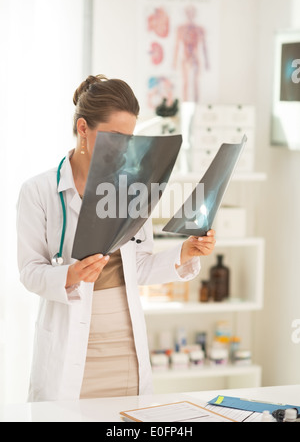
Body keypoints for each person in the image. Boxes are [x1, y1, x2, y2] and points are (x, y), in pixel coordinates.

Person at [16, 74, 216, 402]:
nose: (123, 150)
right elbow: (29, 272)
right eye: (114, 137)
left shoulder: (130, 188)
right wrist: (69, 275)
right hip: (70, 350)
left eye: (129, 139)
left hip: (125, 347)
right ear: (83, 129)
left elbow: (138, 268)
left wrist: (185, 251)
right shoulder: (38, 191)